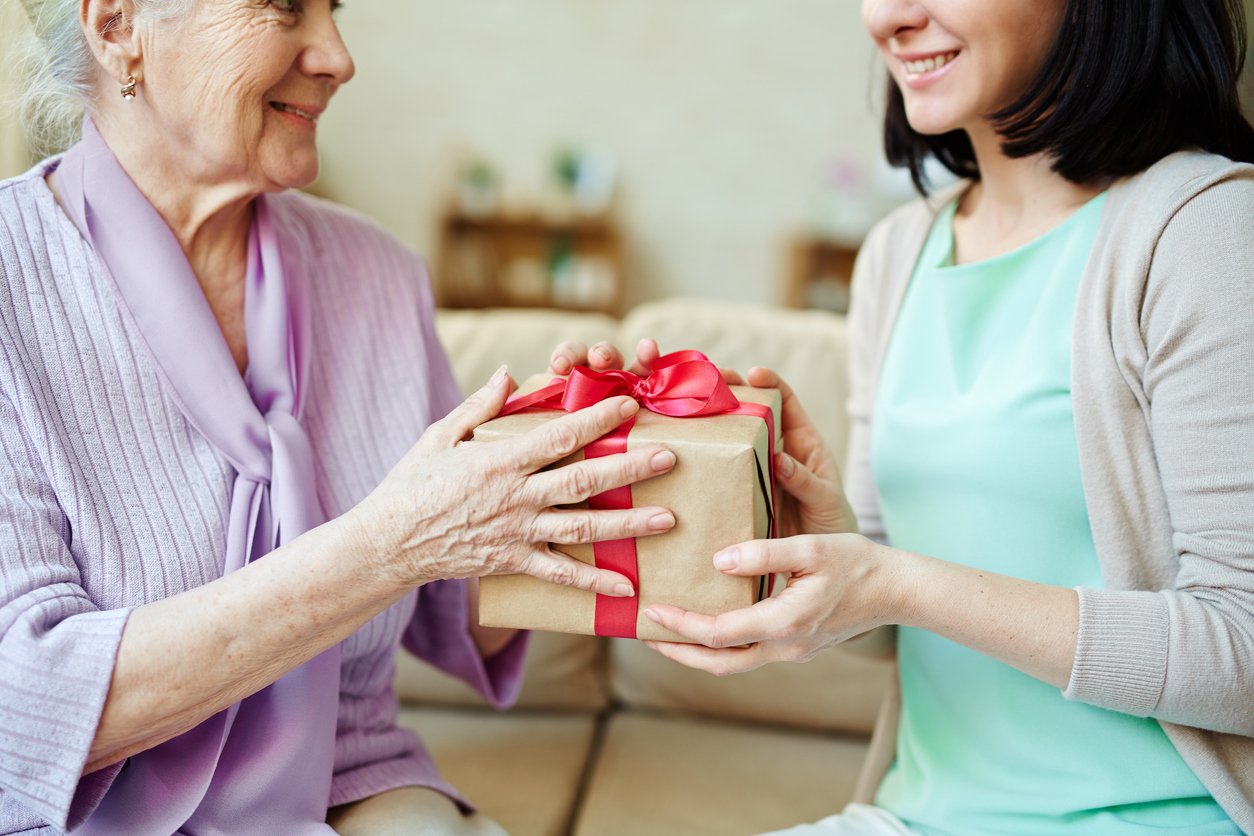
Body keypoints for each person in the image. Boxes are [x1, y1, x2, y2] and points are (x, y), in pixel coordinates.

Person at [0, 0, 680, 832]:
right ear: (116, 28)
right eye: (285, 8)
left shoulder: (379, 273)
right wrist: (386, 547)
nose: (337, 57)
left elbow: (467, 611)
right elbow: (24, 709)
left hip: (352, 781)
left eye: (335, 11)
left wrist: (578, 478)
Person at [629, 0, 1254, 833]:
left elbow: (1243, 649)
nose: (885, 16)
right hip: (910, 817)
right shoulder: (898, 252)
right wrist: (814, 547)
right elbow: (894, 616)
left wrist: (895, 582)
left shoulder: (1204, 230)